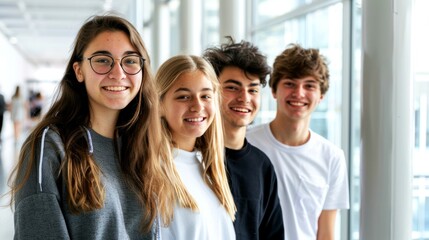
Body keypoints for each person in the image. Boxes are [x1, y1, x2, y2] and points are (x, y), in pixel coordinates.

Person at [8, 15, 172, 239]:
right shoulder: (51, 146)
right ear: (79, 71)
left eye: (131, 60)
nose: (118, 73)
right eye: (103, 60)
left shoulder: (142, 144)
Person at [246, 43, 350, 240]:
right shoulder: (246, 142)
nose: (299, 93)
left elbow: (326, 234)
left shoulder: (332, 157)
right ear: (274, 90)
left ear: (321, 96)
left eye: (309, 85)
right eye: (290, 83)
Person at [203, 37, 284, 240]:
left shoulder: (262, 165)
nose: (245, 97)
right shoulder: (192, 157)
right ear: (212, 90)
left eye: (253, 90)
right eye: (232, 87)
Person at [155, 55, 236, 240]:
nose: (197, 106)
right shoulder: (151, 172)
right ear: (159, 104)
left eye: (206, 96)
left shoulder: (208, 169)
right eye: (183, 97)